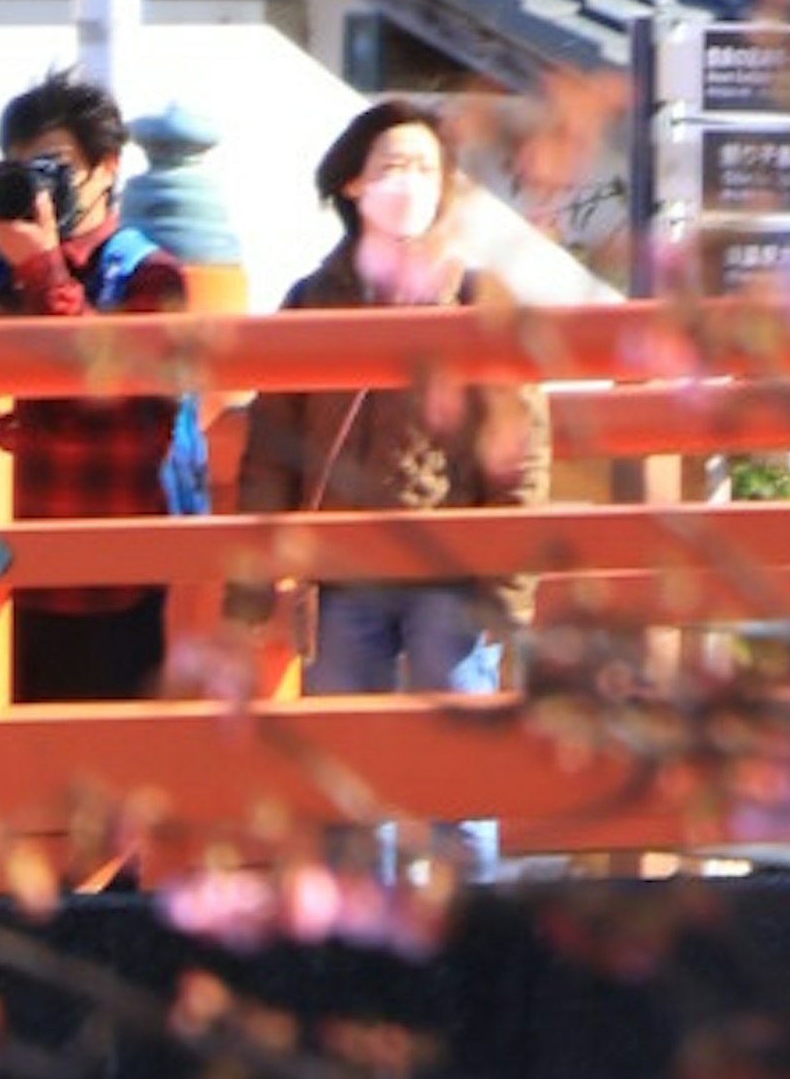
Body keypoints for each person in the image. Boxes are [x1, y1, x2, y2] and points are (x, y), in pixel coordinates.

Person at [0, 65, 192, 706]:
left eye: (53, 167)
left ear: (107, 168)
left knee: (100, 787)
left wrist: (41, 267)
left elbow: (101, 394)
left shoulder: (151, 277)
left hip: (103, 585)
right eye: (21, 168)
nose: (39, 188)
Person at [231, 98, 550, 697]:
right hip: (339, 567)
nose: (410, 184)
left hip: (452, 565)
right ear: (352, 183)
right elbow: (272, 445)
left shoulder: (477, 298)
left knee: (457, 757)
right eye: (391, 167)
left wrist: (510, 587)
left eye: (427, 170)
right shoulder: (311, 301)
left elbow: (520, 450)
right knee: (346, 756)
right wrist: (253, 578)